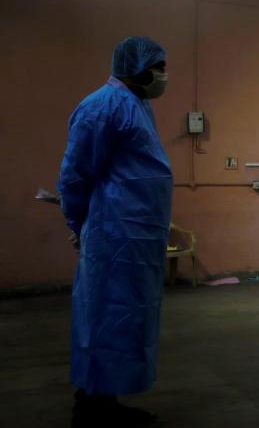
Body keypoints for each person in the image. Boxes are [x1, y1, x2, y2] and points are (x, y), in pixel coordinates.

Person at [58, 36, 173, 426]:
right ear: (137, 67)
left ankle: (107, 400)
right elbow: (76, 175)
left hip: (137, 234)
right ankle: (90, 406)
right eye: (158, 67)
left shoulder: (137, 106)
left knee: (129, 316)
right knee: (105, 314)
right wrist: (79, 223)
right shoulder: (100, 107)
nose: (163, 75)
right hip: (113, 233)